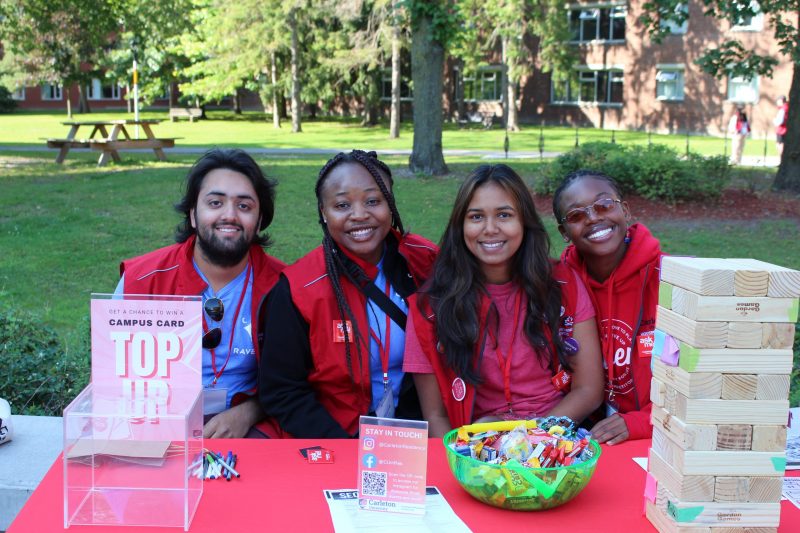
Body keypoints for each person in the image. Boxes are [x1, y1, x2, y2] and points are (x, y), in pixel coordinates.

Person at [403, 164, 604, 438]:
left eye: (504, 215)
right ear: (460, 225)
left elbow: (588, 390)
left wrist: (529, 440)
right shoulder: (430, 308)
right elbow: (436, 417)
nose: (490, 229)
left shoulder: (562, 283)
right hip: (476, 446)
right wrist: (469, 455)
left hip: (556, 437)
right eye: (476, 217)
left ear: (524, 221)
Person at [258, 150, 438, 438]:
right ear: (323, 212)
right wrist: (344, 449)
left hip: (413, 437)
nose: (359, 215)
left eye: (373, 201)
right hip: (334, 438)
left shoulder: (425, 263)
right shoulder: (298, 289)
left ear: (390, 205)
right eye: (342, 205)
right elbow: (282, 389)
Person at [118, 148, 285, 438]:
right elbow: (112, 379)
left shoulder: (283, 286)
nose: (229, 215)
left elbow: (295, 382)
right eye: (215, 203)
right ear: (194, 215)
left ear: (259, 221)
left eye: (244, 206)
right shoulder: (142, 280)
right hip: (155, 419)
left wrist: (249, 412)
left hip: (252, 420)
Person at [553, 169, 663, 445]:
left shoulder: (669, 280)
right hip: (586, 435)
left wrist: (642, 421)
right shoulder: (560, 286)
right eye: (577, 215)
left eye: (604, 205)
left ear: (625, 211)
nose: (593, 218)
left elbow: (702, 382)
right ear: (564, 232)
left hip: (658, 435)